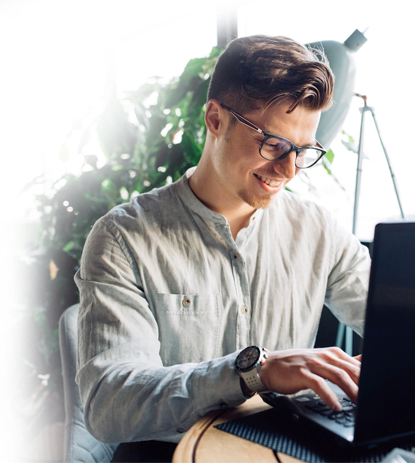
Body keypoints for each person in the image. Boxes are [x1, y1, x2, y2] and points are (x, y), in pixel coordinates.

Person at [74, 35, 371, 462]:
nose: (288, 170)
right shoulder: (123, 238)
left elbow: (397, 326)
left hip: (284, 451)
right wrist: (254, 372)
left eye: (303, 151)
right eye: (273, 144)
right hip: (169, 454)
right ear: (215, 119)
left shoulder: (318, 229)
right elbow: (111, 404)